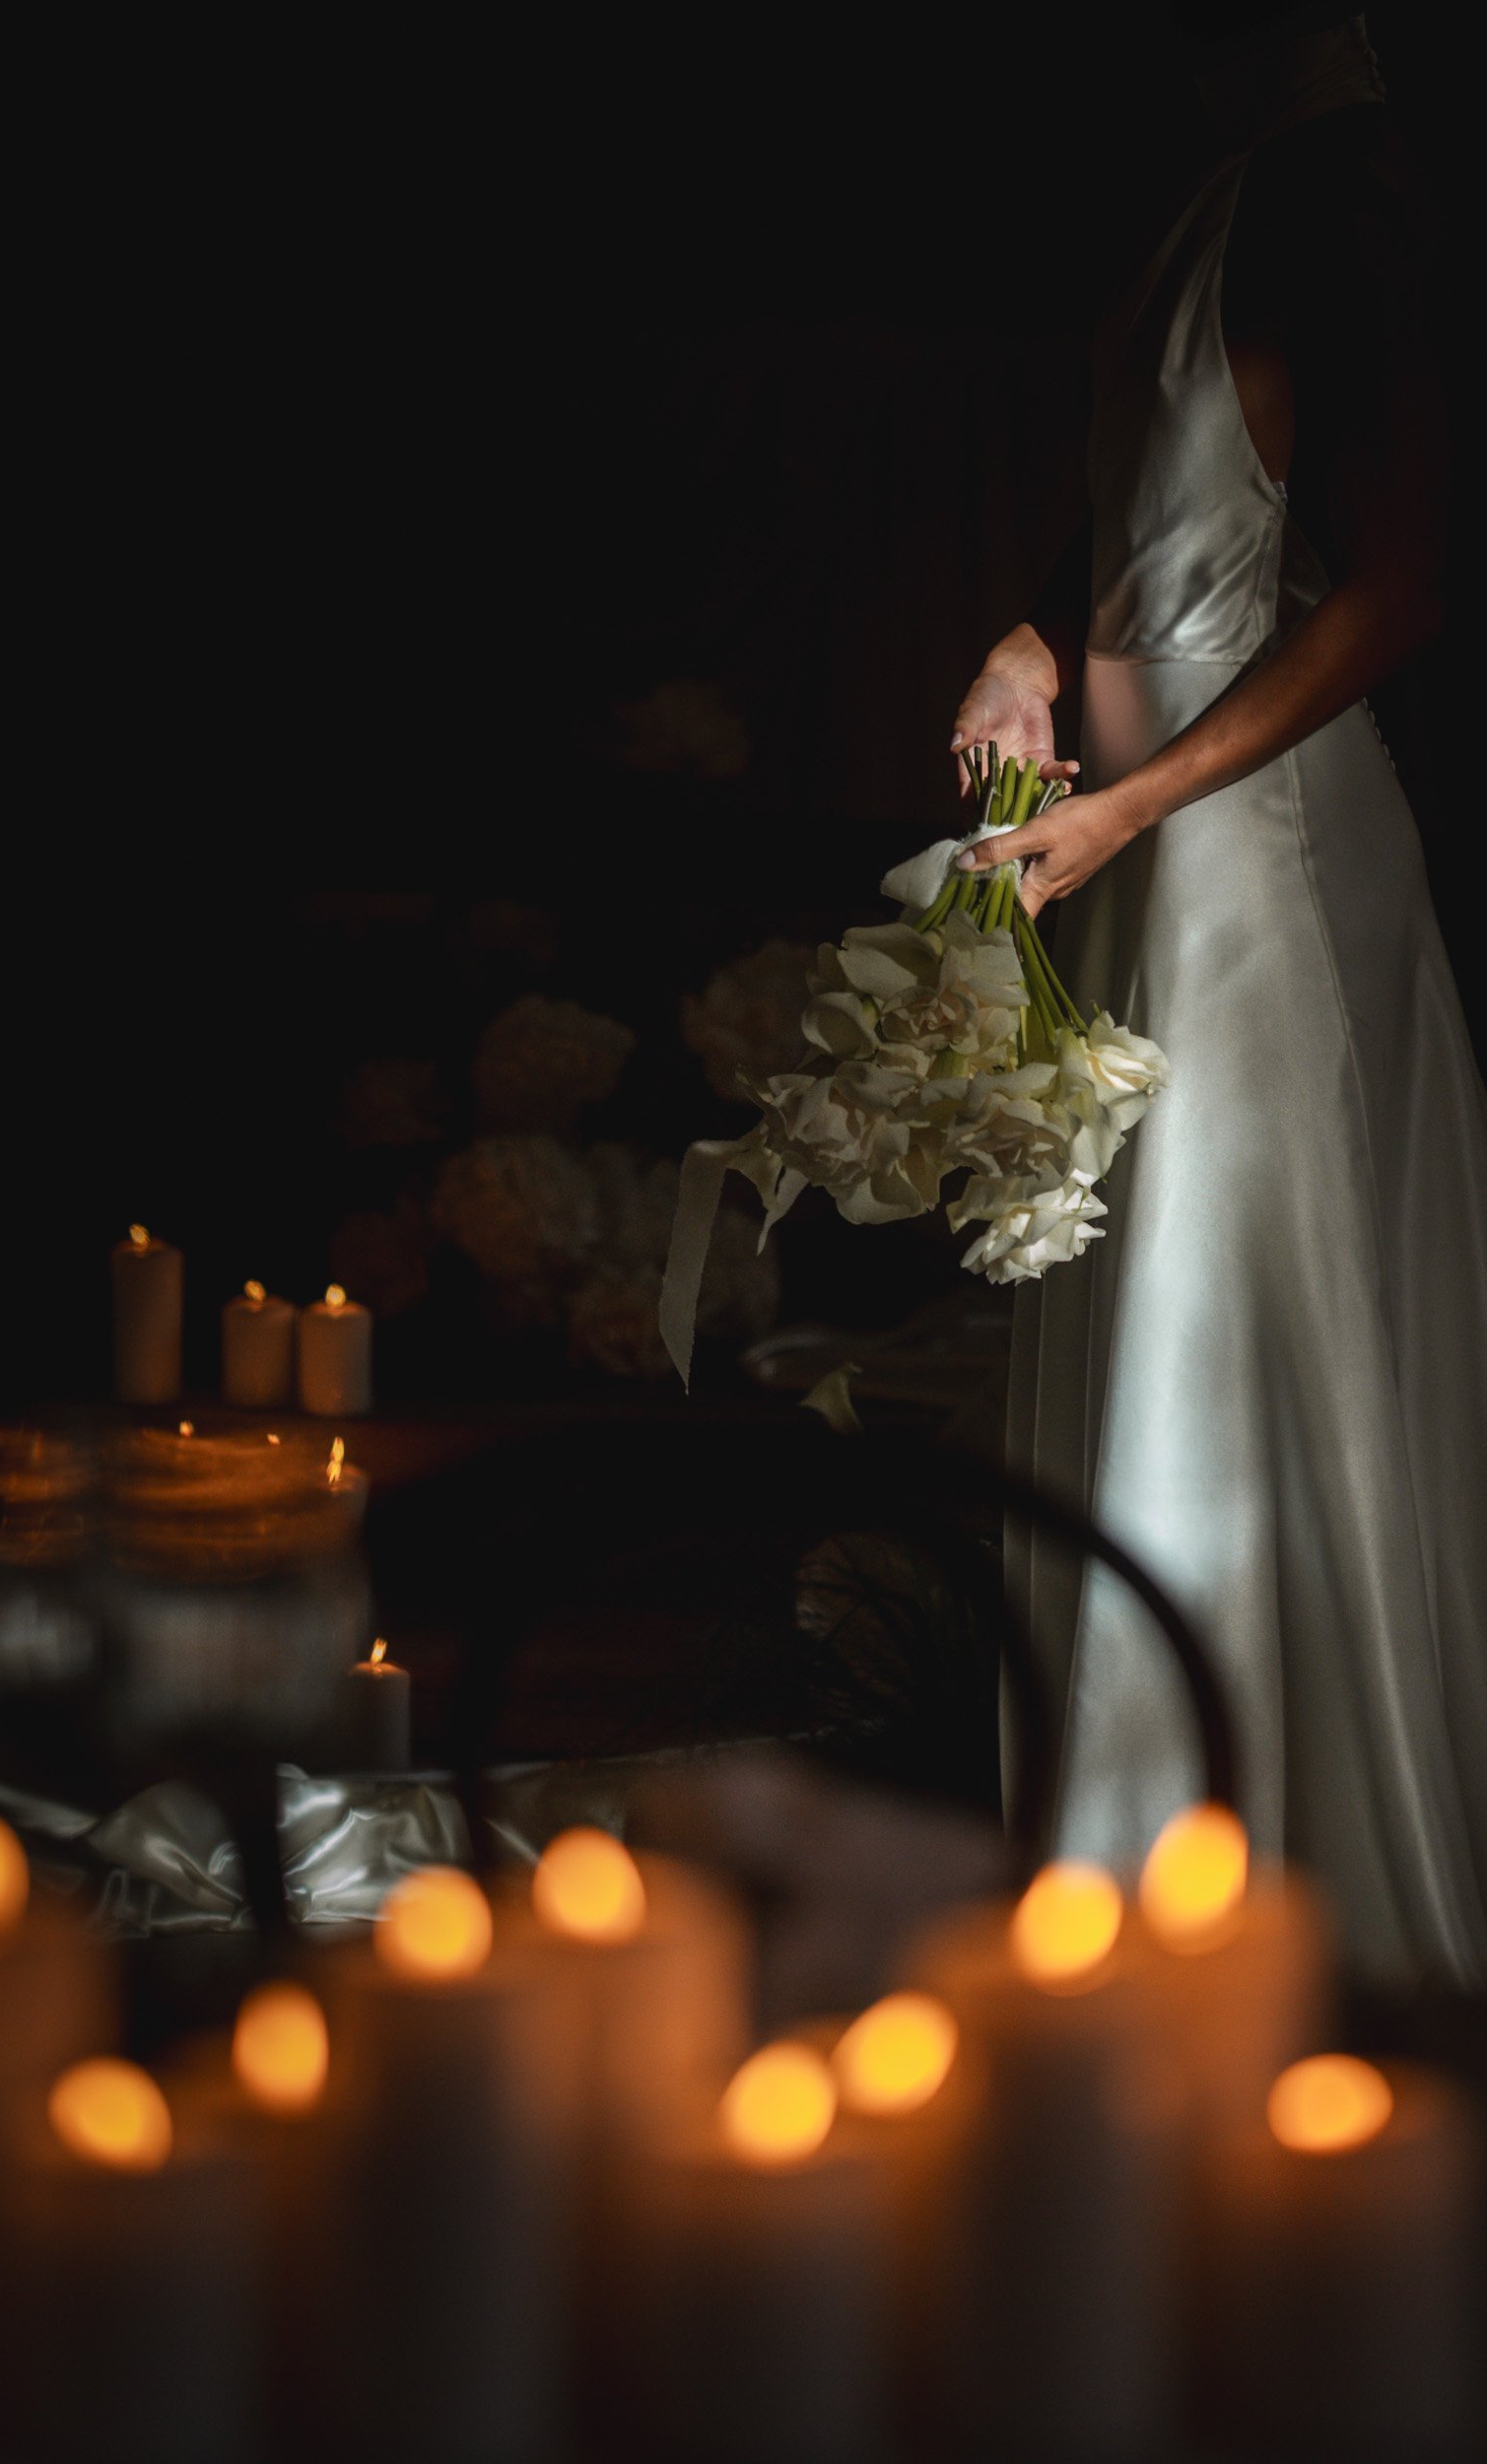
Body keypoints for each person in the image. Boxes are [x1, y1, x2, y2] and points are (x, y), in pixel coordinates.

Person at [950, 10, 1487, 1982]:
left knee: (1240, 1310)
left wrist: (1143, 805)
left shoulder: (1334, 212)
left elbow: (1403, 577)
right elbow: (1145, 550)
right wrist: (1025, 640)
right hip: (1137, 851)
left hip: (1249, 866)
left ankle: (1242, 1883)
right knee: (1139, 1300)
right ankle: (1130, 1862)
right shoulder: (1196, 207)